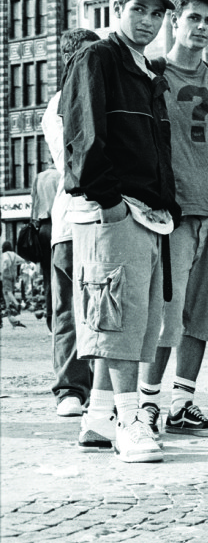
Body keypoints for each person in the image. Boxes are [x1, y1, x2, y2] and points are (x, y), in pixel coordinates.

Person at [60, 0, 180, 463]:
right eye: (140, 9)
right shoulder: (98, 57)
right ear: (116, 7)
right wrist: (110, 204)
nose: (149, 21)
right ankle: (129, 421)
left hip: (146, 215)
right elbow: (83, 138)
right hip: (115, 212)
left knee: (139, 321)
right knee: (116, 322)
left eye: (157, 13)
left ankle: (98, 418)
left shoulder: (145, 71)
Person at [136, 0, 208, 439]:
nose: (201, 27)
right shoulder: (152, 74)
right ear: (174, 20)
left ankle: (183, 403)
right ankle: (146, 403)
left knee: (204, 315)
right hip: (173, 218)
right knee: (165, 317)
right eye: (193, 18)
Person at [41, 27, 101, 419]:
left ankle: (99, 388)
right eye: (88, 56)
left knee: (98, 306)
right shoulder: (61, 102)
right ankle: (70, 388)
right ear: (71, 60)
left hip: (102, 218)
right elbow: (77, 161)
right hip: (72, 218)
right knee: (68, 309)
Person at [30, 162, 59, 329]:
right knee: (63, 274)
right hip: (59, 226)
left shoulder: (39, 177)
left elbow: (33, 206)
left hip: (42, 228)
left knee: (48, 277)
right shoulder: (61, 175)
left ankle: (50, 320)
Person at [1, 242, 26, 315]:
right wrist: (15, 263)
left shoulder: (4, 254)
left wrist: (5, 266)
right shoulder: (13, 254)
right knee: (5, 291)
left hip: (6, 273)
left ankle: (16, 304)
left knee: (7, 291)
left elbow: (5, 260)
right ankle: (8, 307)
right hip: (13, 274)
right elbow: (22, 260)